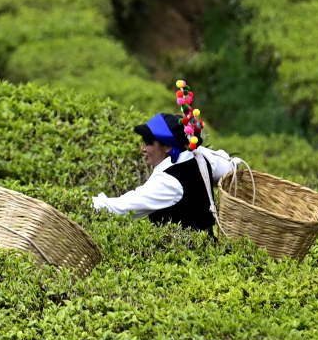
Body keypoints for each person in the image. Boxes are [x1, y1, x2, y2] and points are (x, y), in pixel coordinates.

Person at [91, 79, 240, 231]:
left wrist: (89, 204)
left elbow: (123, 208)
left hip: (182, 246)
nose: (142, 148)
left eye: (148, 142)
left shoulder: (168, 182)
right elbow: (229, 167)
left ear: (168, 146)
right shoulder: (200, 156)